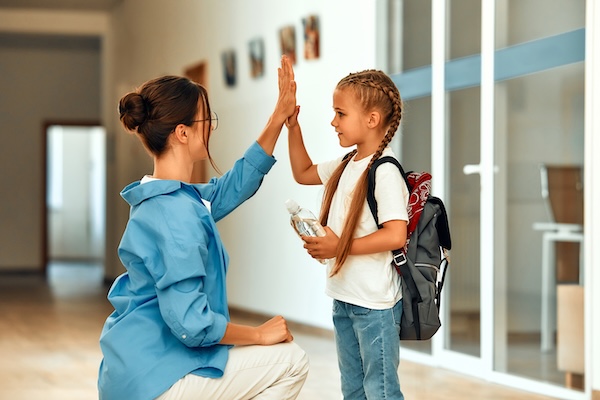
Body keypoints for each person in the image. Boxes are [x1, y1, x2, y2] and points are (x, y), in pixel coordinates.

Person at [98, 55, 308, 400]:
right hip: (157, 380)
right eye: (206, 119)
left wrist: (278, 117)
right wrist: (258, 335)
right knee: (292, 360)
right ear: (182, 133)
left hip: (133, 372)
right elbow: (191, 324)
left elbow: (231, 187)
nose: (211, 126)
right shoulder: (175, 214)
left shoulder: (171, 198)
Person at [286, 70, 408, 399]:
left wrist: (339, 247)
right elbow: (303, 172)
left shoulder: (384, 170)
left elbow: (396, 235)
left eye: (340, 113)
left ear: (372, 119)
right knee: (353, 391)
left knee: (380, 392)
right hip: (344, 300)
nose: (333, 122)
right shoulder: (346, 163)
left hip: (375, 306)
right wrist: (292, 126)